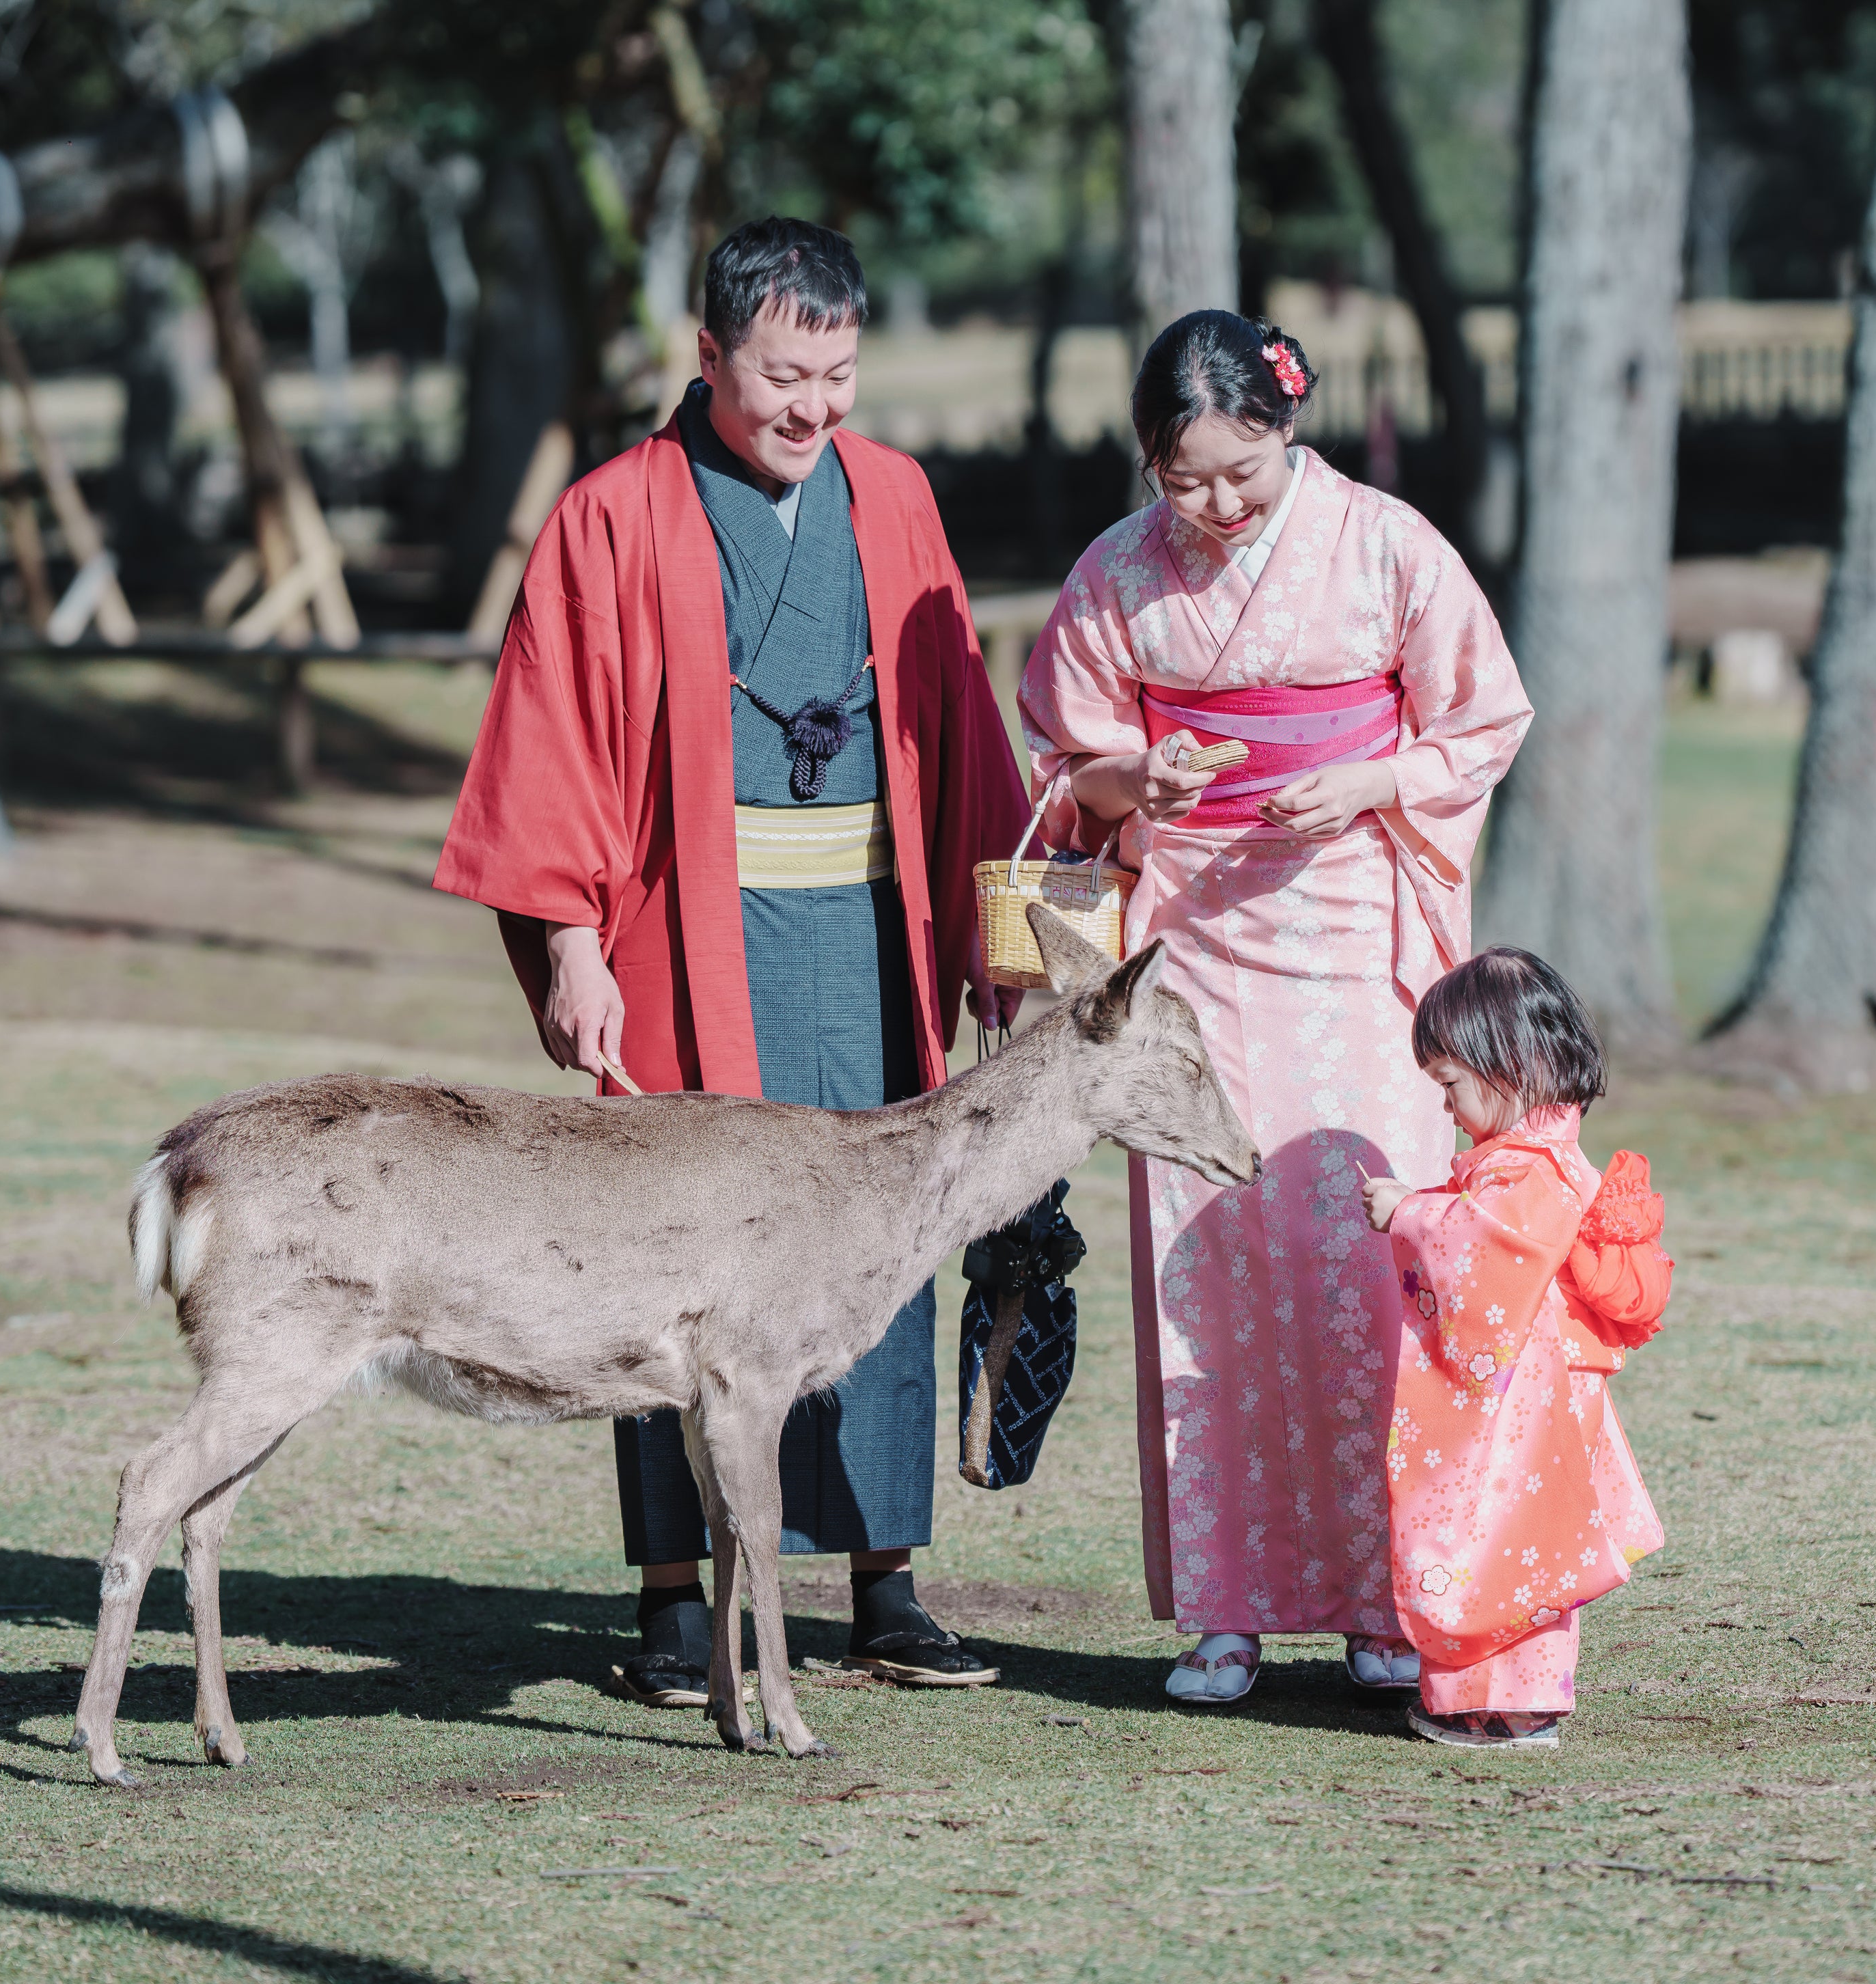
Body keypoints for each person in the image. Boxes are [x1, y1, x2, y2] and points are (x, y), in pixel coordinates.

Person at [434, 217, 1030, 1705]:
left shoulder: (892, 502)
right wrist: (571, 947)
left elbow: (961, 729)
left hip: (869, 939)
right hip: (688, 940)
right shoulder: (611, 518)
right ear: (706, 357)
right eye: (781, 375)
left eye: (835, 375)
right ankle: (671, 1598)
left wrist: (995, 941)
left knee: (887, 1235)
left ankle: (885, 1583)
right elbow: (552, 745)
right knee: (674, 1259)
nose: (812, 409)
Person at [1018, 311, 1534, 1705]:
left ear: (1284, 430)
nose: (1214, 506)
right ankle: (1223, 1606)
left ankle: (1386, 1597)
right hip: (1192, 934)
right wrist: (1142, 781)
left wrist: (1369, 782)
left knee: (1373, 1257)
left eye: (1239, 472)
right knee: (1211, 1265)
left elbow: (1481, 718)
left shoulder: (1381, 542)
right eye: (1180, 479)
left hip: (1349, 925)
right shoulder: (1118, 575)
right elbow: (1068, 763)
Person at [1358, 948, 1671, 1748]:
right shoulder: (1537, 1157)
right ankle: (1509, 1701)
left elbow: (1485, 1251)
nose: (1445, 1108)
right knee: (1522, 1541)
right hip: (1539, 1401)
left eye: (1449, 1084)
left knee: (1492, 1539)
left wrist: (1406, 1215)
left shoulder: (1527, 1170)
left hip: (1520, 1411)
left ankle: (1491, 1706)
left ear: (1511, 1063)